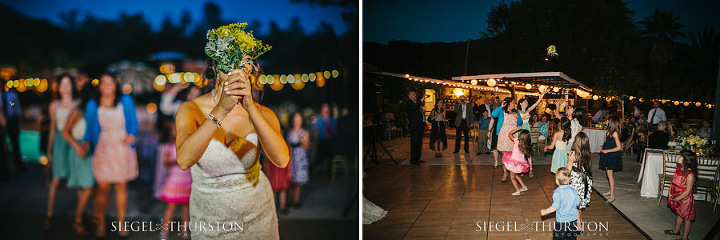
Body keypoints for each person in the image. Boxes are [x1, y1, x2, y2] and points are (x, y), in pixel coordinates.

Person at [175, 24, 288, 238]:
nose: (237, 70)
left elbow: (281, 160)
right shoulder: (190, 110)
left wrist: (251, 108)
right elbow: (184, 160)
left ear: (251, 69)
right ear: (216, 67)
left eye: (244, 63)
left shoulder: (264, 113)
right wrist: (222, 109)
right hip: (210, 220)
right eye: (230, 62)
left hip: (259, 217)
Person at [85, 73, 139, 238]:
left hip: (122, 148)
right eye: (104, 83)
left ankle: (121, 223)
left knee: (121, 186)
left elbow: (134, 124)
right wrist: (85, 143)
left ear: (116, 84)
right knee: (102, 188)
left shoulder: (126, 101)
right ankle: (101, 221)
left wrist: (132, 136)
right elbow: (90, 130)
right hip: (103, 148)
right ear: (99, 86)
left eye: (110, 82)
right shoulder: (92, 105)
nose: (107, 86)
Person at [44, 74, 79, 231]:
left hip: (73, 141)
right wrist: (48, 152)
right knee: (56, 180)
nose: (65, 87)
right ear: (58, 87)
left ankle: (80, 216)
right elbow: (52, 129)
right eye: (62, 84)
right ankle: (49, 214)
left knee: (78, 179)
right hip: (59, 142)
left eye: (68, 84)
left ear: (72, 86)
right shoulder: (54, 105)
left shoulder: (78, 104)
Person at [61, 82, 96, 236]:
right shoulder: (77, 112)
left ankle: (83, 217)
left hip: (90, 151)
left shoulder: (95, 112)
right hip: (79, 151)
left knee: (85, 188)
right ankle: (77, 221)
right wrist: (76, 146)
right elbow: (65, 132)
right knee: (87, 188)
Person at [158, 121, 192, 239]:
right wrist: (176, 161)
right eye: (175, 130)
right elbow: (166, 162)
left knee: (186, 208)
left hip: (186, 180)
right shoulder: (170, 147)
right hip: (174, 180)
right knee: (170, 207)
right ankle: (165, 230)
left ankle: (184, 230)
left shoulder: (189, 146)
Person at [664, 150, 697, 240]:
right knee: (679, 214)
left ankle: (685, 237)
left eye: (680, 156)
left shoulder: (690, 175)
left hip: (685, 199)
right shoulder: (679, 169)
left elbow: (688, 191)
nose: (678, 157)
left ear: (686, 160)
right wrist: (670, 192)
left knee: (687, 218)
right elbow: (673, 182)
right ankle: (676, 231)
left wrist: (678, 198)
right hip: (676, 195)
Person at [541, 168, 580, 240]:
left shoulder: (558, 193)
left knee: (558, 237)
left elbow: (555, 206)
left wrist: (545, 211)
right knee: (572, 238)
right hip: (572, 220)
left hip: (562, 221)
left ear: (557, 180)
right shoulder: (573, 190)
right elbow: (577, 204)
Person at [490, 98, 523, 181]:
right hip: (503, 135)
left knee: (514, 155)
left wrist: (518, 117)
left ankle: (513, 171)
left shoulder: (516, 112)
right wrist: (501, 106)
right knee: (504, 156)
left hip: (513, 135)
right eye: (512, 102)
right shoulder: (501, 111)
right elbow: (493, 114)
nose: (514, 104)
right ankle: (505, 172)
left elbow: (520, 123)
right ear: (508, 103)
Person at [566, 132, 592, 232]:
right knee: (579, 205)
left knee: (575, 206)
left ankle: (579, 227)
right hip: (585, 182)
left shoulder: (573, 155)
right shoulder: (587, 153)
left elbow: (567, 171)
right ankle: (579, 222)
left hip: (575, 182)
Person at [288, 112, 310, 209]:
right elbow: (288, 146)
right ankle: (290, 199)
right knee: (291, 180)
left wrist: (301, 140)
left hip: (301, 158)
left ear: (301, 121)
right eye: (295, 118)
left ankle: (296, 200)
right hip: (292, 158)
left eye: (299, 119)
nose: (297, 121)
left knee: (299, 181)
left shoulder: (304, 132)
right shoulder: (290, 132)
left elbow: (306, 147)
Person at [599, 116, 622, 204]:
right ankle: (610, 190)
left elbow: (619, 147)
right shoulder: (608, 131)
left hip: (612, 155)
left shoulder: (615, 133)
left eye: (609, 120)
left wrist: (607, 150)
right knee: (608, 173)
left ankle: (612, 196)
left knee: (610, 175)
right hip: (608, 154)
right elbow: (608, 143)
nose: (607, 121)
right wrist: (602, 147)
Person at [502, 128, 532, 195]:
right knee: (516, 175)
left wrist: (517, 129)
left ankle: (517, 190)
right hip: (520, 164)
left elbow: (509, 134)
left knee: (512, 177)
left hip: (514, 163)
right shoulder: (526, 145)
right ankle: (523, 186)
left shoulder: (517, 141)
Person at [311, 103, 336, 172]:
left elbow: (336, 131)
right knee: (323, 145)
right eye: (324, 111)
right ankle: (323, 165)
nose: (325, 113)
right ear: (322, 112)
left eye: (327, 111)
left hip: (332, 141)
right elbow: (313, 130)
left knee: (330, 144)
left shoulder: (333, 120)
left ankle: (324, 165)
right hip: (322, 141)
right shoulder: (319, 120)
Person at [405, 90, 426, 165]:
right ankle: (413, 160)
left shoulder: (416, 104)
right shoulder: (409, 103)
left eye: (415, 94)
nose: (415, 96)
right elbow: (413, 108)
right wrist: (421, 100)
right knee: (414, 143)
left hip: (419, 127)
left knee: (419, 143)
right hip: (415, 127)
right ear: (409, 96)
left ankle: (417, 159)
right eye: (413, 94)